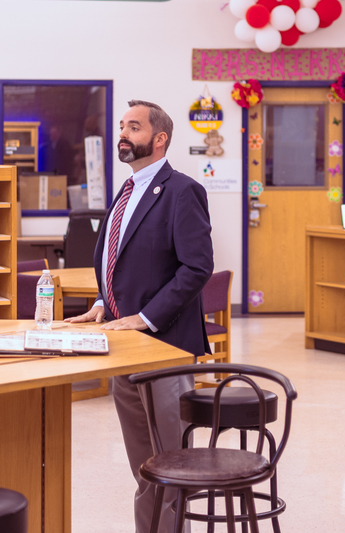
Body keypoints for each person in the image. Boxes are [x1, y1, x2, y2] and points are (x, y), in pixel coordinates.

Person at [65, 100, 213, 533]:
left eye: (134, 127)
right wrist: (101, 305)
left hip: (162, 345)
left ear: (160, 138)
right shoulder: (127, 190)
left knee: (171, 462)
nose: (124, 134)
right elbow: (118, 261)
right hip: (123, 348)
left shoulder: (182, 190)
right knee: (145, 464)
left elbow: (197, 267)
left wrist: (145, 317)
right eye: (122, 126)